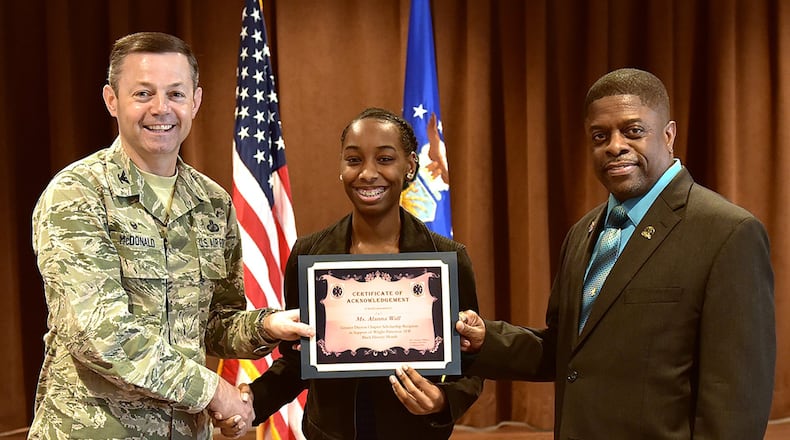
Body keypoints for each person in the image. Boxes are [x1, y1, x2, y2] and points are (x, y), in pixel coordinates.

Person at [456, 68, 775, 439]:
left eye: (633, 131)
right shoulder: (583, 232)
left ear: (668, 136)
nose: (615, 145)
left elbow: (735, 402)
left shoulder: (728, 233)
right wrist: (485, 341)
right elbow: (568, 350)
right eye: (599, 135)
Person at [28, 32, 313, 440]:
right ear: (112, 100)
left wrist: (268, 327)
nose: (161, 109)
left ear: (195, 101)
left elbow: (214, 323)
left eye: (176, 94)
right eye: (143, 93)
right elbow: (101, 337)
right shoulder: (77, 195)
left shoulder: (213, 203)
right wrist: (216, 392)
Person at [216, 107, 483, 439]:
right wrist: (253, 402)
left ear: (410, 165)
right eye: (354, 160)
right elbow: (298, 360)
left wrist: (442, 401)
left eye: (385, 159)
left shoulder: (447, 259)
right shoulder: (310, 254)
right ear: (341, 168)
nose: (368, 173)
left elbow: (472, 365)